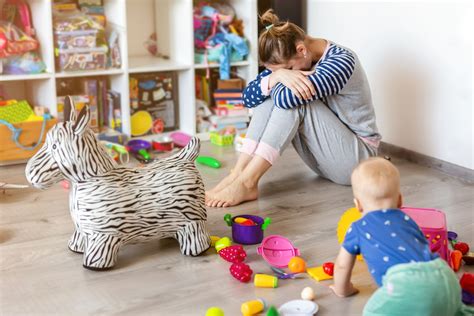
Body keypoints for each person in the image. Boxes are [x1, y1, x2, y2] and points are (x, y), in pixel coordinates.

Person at [206, 9, 381, 207]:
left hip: (358, 162)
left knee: (293, 100)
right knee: (267, 95)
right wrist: (276, 76)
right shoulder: (289, 60)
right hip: (325, 160)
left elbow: (285, 100)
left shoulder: (341, 61)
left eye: (287, 69)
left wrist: (276, 79)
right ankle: (239, 173)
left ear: (301, 50)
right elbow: (248, 98)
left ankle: (248, 182)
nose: (285, 74)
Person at [330, 157, 471, 316]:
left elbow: (342, 266)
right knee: (449, 309)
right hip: (444, 275)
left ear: (358, 205)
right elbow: (422, 245)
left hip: (405, 285)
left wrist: (343, 290)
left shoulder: (357, 228)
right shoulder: (407, 220)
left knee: (371, 311)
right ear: (400, 200)